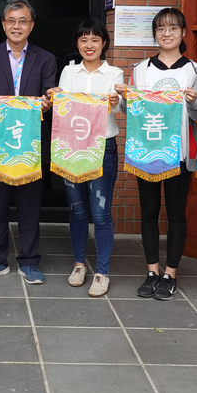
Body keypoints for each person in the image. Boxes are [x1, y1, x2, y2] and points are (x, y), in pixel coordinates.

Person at [116, 7, 197, 301]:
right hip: (147, 152)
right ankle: (152, 270)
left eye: (173, 28)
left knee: (176, 214)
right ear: (155, 34)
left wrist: (193, 102)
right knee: (149, 212)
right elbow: (131, 112)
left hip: (178, 153)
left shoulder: (194, 71)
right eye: (161, 29)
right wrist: (124, 99)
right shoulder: (141, 70)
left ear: (182, 33)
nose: (166, 34)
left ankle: (171, 274)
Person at [0, 0, 58, 284]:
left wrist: (48, 103)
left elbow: (50, 95)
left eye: (23, 21)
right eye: (11, 20)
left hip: (31, 143)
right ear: (3, 24)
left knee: (29, 205)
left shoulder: (46, 58)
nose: (16, 26)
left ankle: (30, 261)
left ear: (31, 26)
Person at [50, 19, 123, 297]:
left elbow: (117, 109)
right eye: (83, 40)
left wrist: (115, 103)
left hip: (103, 147)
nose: (89, 45)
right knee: (78, 210)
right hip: (72, 146)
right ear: (77, 44)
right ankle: (79, 265)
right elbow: (66, 105)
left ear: (104, 43)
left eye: (95, 39)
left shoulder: (114, 73)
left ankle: (102, 272)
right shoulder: (69, 73)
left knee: (101, 212)